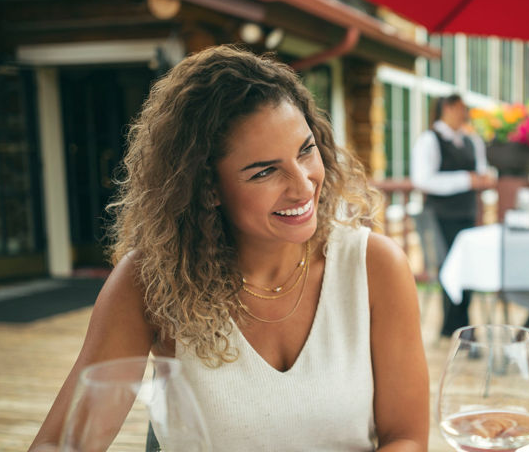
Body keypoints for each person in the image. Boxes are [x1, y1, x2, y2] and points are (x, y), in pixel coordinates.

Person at [28, 45, 429, 451]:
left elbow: (407, 437)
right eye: (265, 171)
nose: (303, 185)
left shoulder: (375, 266)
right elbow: (62, 445)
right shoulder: (150, 281)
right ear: (208, 188)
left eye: (306, 150)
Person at [411, 94, 496, 338]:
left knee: (468, 268)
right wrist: (466, 180)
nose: (465, 113)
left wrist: (484, 178)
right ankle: (456, 328)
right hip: (441, 217)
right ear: (447, 108)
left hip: (468, 215)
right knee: (450, 269)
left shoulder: (472, 140)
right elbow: (423, 180)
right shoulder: (429, 140)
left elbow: (482, 170)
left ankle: (460, 327)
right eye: (461, 108)